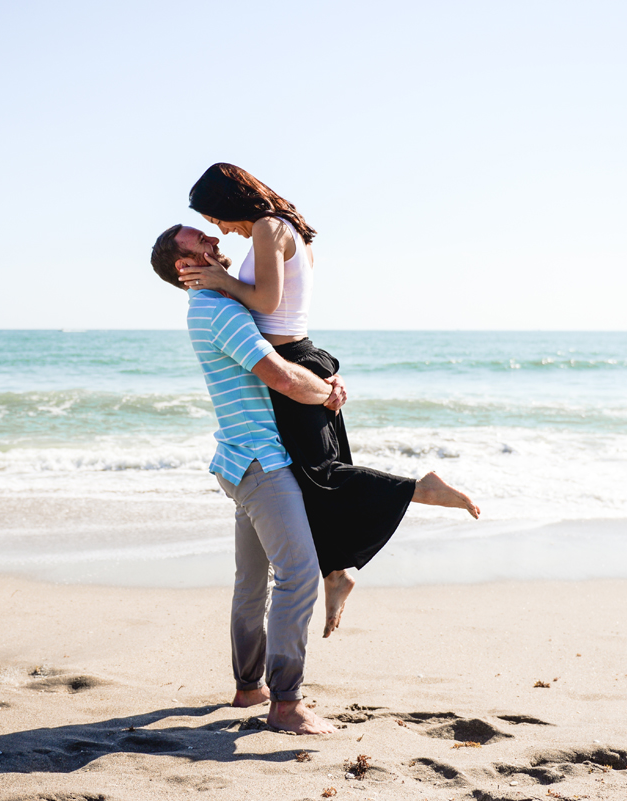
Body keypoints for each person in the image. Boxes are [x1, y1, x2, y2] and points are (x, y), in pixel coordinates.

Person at [171, 164, 480, 641]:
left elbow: (269, 303)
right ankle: (337, 571)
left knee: (321, 475)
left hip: (292, 358)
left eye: (216, 218)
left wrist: (219, 281)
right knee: (315, 478)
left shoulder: (270, 228)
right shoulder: (284, 226)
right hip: (302, 354)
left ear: (230, 201)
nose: (221, 231)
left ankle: (419, 488)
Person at [150, 223, 340, 735]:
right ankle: (286, 704)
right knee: (298, 577)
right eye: (202, 244)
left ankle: (249, 687)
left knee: (252, 583)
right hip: (261, 463)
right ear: (182, 266)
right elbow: (277, 374)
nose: (217, 246)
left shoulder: (215, 306)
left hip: (238, 461)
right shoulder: (219, 310)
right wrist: (325, 393)